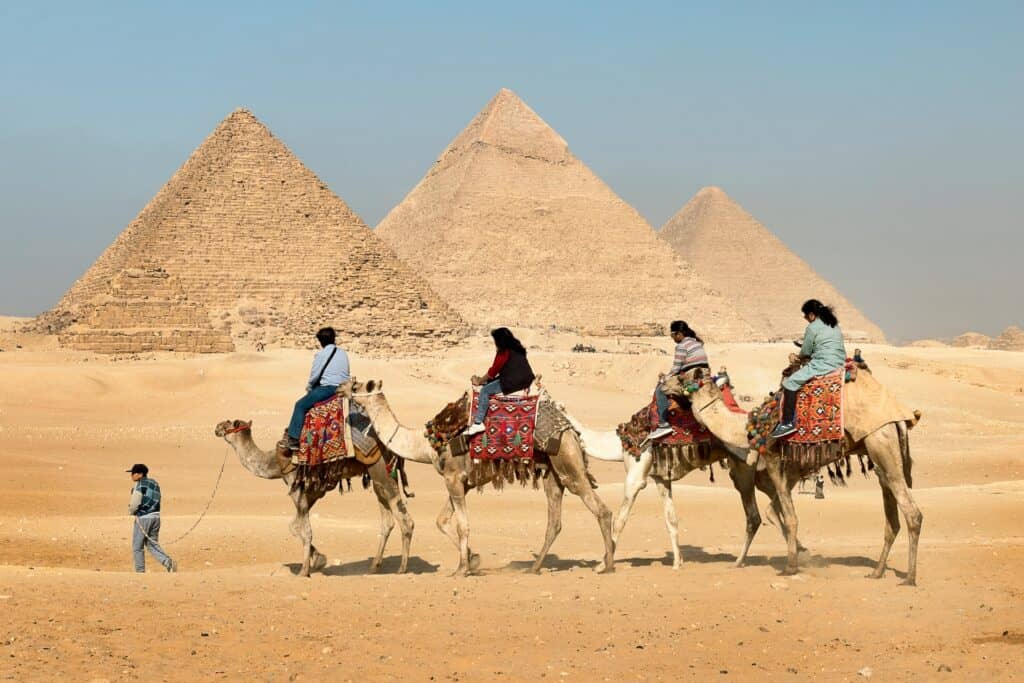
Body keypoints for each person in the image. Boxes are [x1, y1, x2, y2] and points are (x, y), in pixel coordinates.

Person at [771, 299, 846, 438]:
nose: (806, 320)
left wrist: (796, 357)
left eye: (806, 317)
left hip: (824, 363)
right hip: (839, 361)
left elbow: (806, 352)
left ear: (811, 315)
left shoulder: (812, 327)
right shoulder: (834, 325)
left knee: (790, 383)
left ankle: (787, 423)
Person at [283, 327, 350, 450]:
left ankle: (293, 439)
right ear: (334, 339)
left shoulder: (321, 354)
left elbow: (314, 376)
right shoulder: (343, 353)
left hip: (329, 389)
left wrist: (309, 388)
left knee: (300, 405)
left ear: (321, 342)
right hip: (345, 387)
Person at [464, 328, 535, 437]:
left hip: (512, 382)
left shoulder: (503, 352)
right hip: (525, 379)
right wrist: (486, 380)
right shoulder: (517, 347)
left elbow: (493, 371)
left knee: (484, 390)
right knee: (489, 383)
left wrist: (479, 381)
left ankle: (478, 422)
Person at [648, 321, 709, 441]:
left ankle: (663, 424)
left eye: (672, 335)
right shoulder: (697, 343)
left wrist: (663, 379)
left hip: (691, 379)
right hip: (704, 376)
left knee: (661, 389)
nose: (673, 338)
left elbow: (675, 369)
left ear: (679, 334)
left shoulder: (681, 346)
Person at [127, 463, 177, 573]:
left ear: (140, 474)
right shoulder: (154, 483)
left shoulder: (140, 485)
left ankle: (140, 572)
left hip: (144, 518)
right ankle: (168, 562)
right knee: (151, 544)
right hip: (156, 517)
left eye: (133, 473)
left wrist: (131, 511)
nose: (131, 476)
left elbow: (135, 503)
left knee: (137, 546)